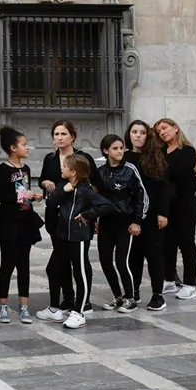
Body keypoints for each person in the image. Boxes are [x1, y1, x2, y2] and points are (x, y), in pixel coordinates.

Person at [36, 121, 97, 322]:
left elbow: (94, 185)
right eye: (56, 133)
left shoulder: (83, 158)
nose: (59, 137)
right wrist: (44, 182)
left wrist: (91, 215)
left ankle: (84, 302)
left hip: (78, 217)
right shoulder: (51, 158)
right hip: (57, 217)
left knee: (79, 260)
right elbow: (43, 178)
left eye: (63, 133)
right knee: (61, 259)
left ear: (73, 136)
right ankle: (68, 300)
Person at [46, 156, 112, 330]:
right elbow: (51, 203)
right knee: (55, 267)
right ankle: (56, 308)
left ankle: (79, 311)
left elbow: (105, 205)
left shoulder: (86, 189)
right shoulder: (63, 186)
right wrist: (64, 190)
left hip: (79, 237)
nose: (62, 168)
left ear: (74, 172)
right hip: (62, 236)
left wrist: (86, 215)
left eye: (65, 166)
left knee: (80, 272)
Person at [0, 127, 42, 325]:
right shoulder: (3, 169)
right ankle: (2, 305)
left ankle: (24, 306)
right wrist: (21, 196)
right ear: (13, 148)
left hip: (25, 221)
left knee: (24, 265)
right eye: (23, 144)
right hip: (8, 223)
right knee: (7, 265)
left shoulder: (26, 169)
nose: (27, 147)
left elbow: (24, 193)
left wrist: (33, 197)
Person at [93, 135, 148, 312]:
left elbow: (142, 196)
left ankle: (131, 298)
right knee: (105, 260)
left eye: (121, 148)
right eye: (115, 148)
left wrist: (137, 221)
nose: (119, 152)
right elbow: (95, 198)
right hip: (106, 222)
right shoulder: (100, 172)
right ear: (105, 151)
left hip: (126, 222)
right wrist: (94, 219)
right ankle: (118, 296)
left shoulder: (130, 170)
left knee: (121, 261)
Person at [127, 124, 172, 311]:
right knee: (133, 255)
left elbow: (164, 187)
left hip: (153, 213)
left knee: (154, 254)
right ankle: (133, 290)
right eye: (134, 132)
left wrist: (163, 212)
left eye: (142, 133)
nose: (138, 136)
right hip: (132, 214)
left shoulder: (155, 156)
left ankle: (157, 294)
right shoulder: (125, 156)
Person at [155, 118, 196, 301]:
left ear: (175, 128)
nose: (162, 132)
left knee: (186, 242)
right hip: (167, 203)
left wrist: (162, 173)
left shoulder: (187, 151)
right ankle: (169, 279)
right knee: (168, 243)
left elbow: (178, 172)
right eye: (159, 131)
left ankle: (189, 284)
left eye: (165, 128)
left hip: (185, 201)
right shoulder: (160, 152)